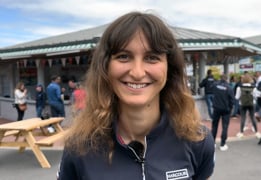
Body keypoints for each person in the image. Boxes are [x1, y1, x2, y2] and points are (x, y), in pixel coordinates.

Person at [57, 12, 215, 179]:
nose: (138, 73)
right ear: (105, 68)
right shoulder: (79, 147)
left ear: (169, 68)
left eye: (152, 58)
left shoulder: (197, 140)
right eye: (123, 57)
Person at [211, 74, 234, 151]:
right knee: (225, 127)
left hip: (216, 108)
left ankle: (212, 143)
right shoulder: (229, 88)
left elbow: (211, 90)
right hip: (225, 110)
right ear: (226, 79)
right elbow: (232, 100)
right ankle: (222, 144)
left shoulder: (215, 85)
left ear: (220, 78)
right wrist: (230, 108)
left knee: (214, 126)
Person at [235, 74, 261, 139]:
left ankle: (241, 132)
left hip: (242, 104)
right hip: (252, 104)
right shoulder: (253, 87)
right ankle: (257, 132)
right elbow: (256, 96)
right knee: (252, 118)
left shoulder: (239, 88)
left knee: (243, 118)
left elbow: (237, 97)